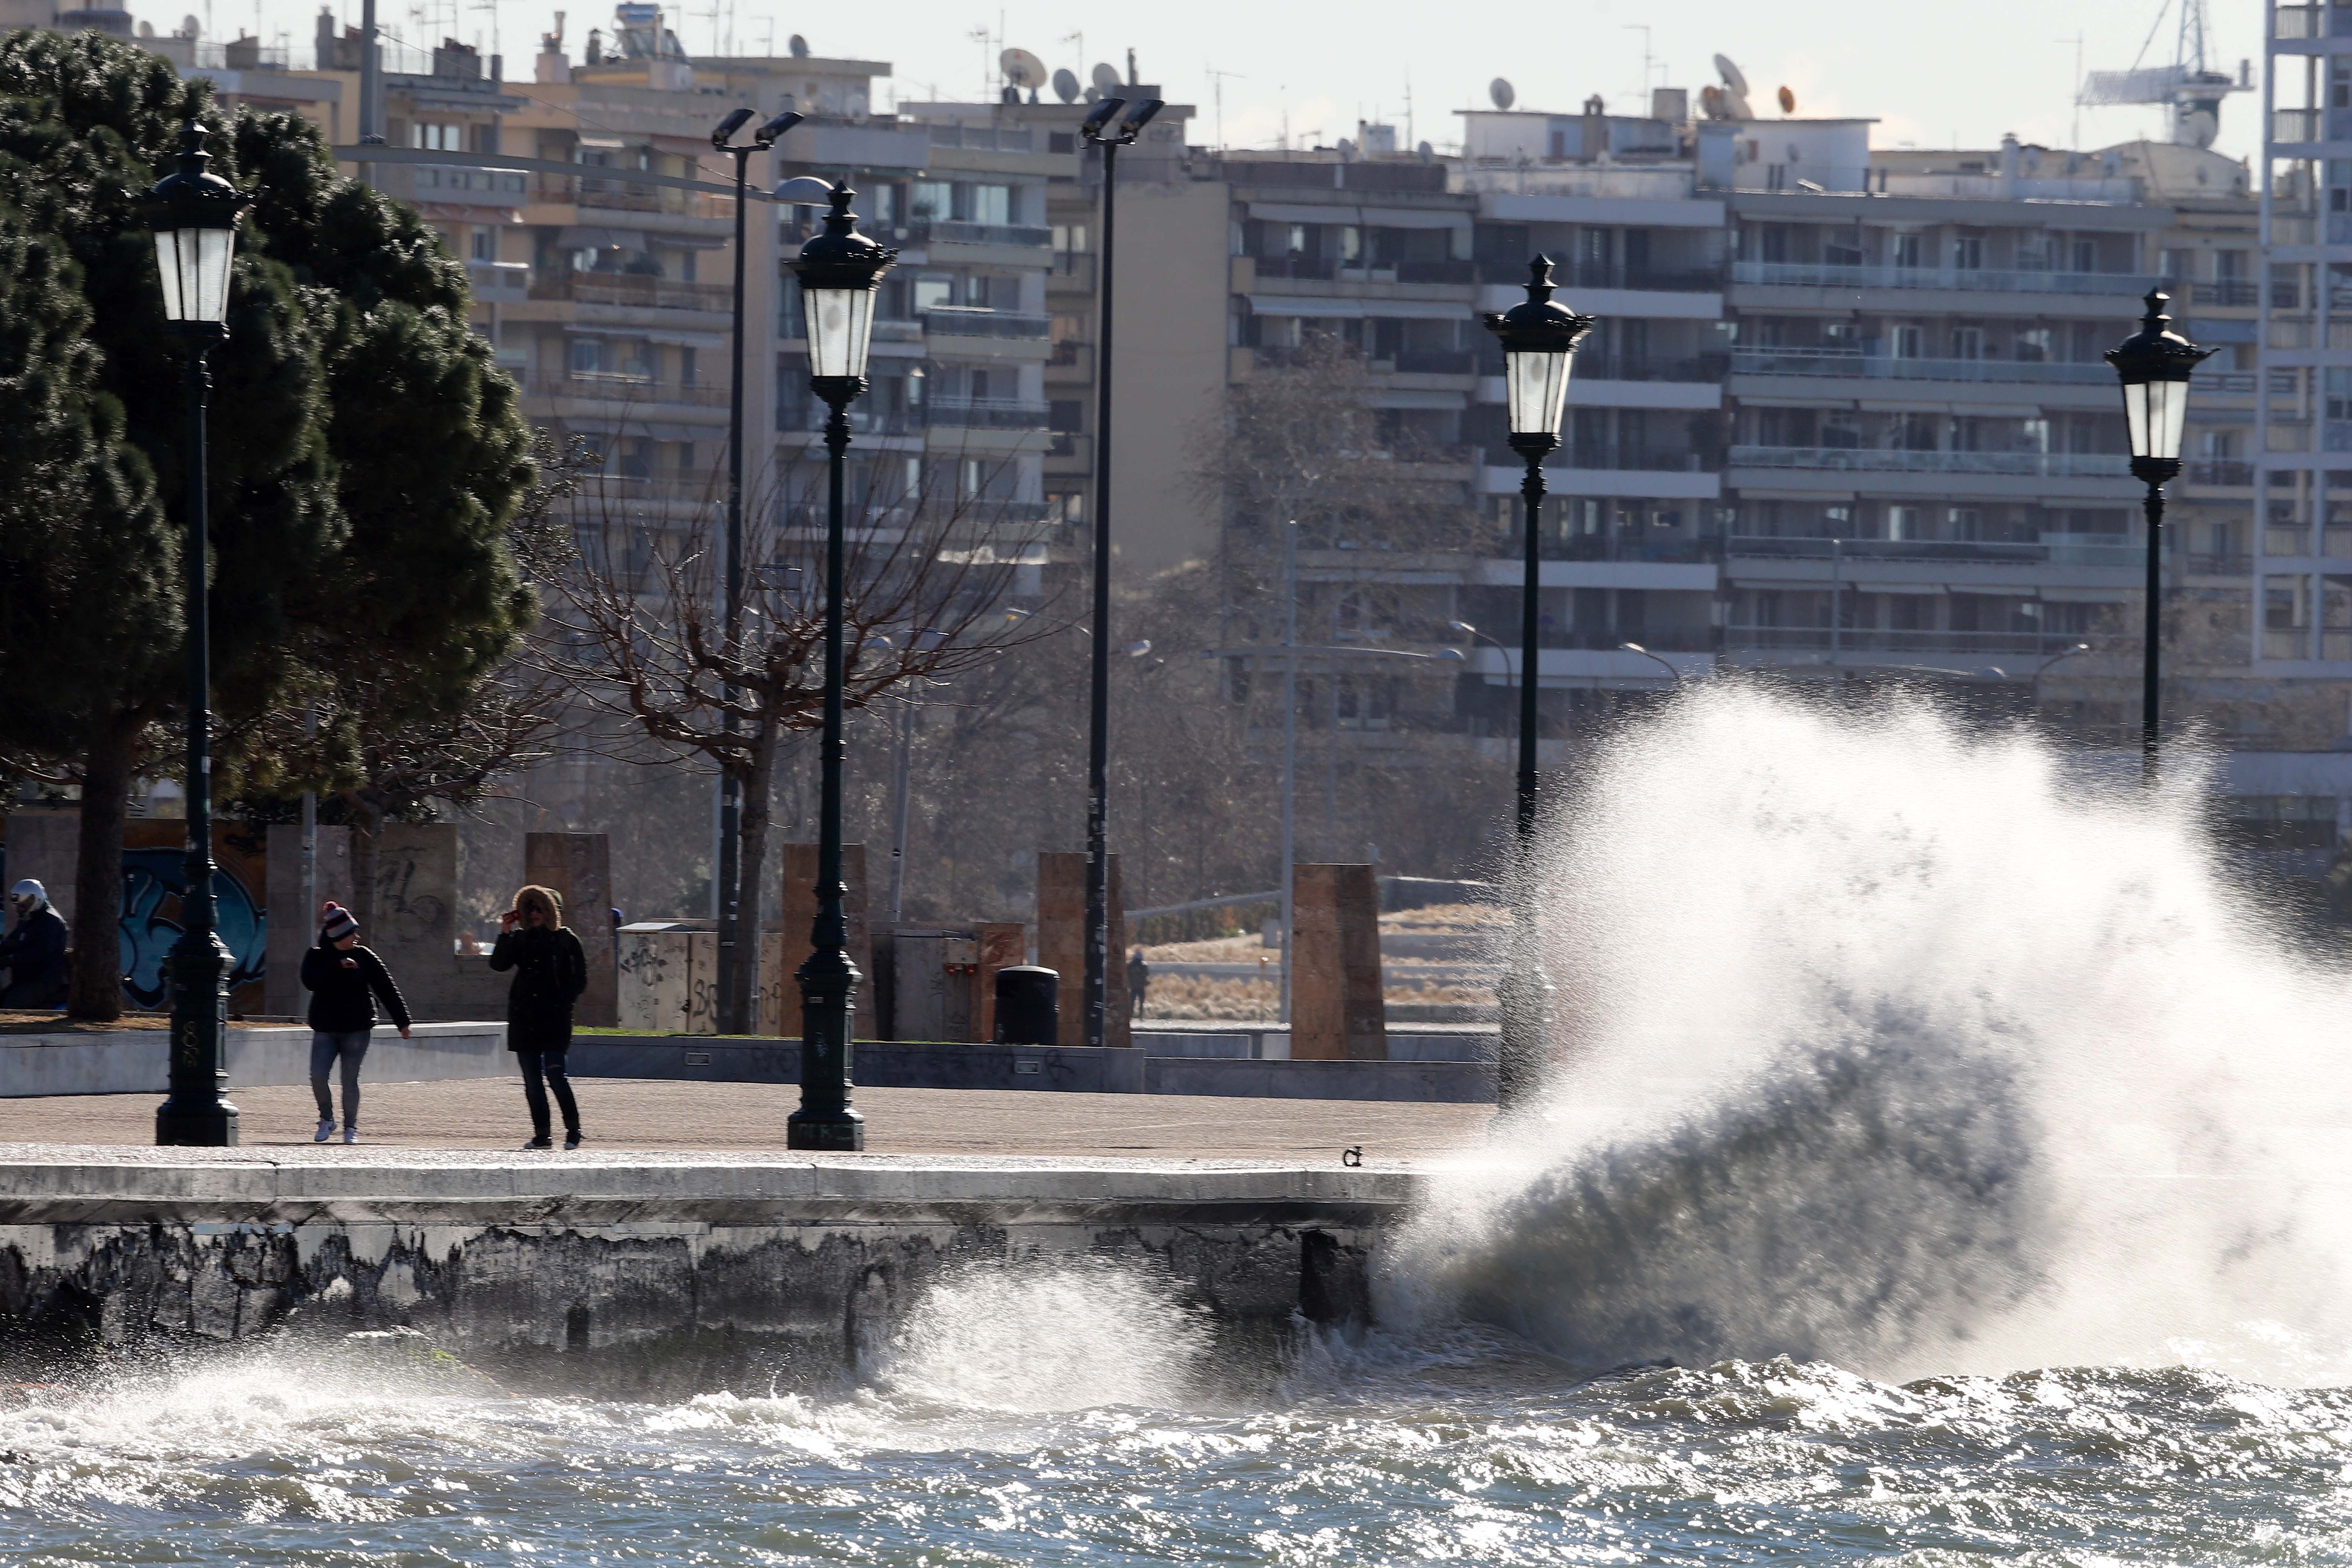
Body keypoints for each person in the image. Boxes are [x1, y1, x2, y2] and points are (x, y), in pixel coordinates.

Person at [298, 901, 410, 1145]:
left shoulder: (364, 956)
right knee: (318, 1076)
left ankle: (351, 1128)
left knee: (349, 1080)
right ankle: (327, 1119)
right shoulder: (316, 956)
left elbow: (386, 988)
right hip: (326, 1028)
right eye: (352, 933)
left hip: (358, 1029)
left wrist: (403, 1021)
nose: (356, 937)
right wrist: (337, 966)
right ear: (339, 935)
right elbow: (310, 981)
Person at [490, 884, 589, 1150]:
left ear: (551, 910)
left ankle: (573, 1130)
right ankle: (542, 1135)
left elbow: (579, 980)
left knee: (557, 1076)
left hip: (555, 1019)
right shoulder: (521, 939)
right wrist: (505, 933)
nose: (534, 914)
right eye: (529, 908)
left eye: (539, 908)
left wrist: (562, 1003)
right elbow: (499, 964)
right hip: (525, 1018)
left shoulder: (568, 940)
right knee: (532, 1080)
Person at [0, 880, 70, 1011]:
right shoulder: (28, 920)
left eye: (23, 905)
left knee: (11, 1007)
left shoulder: (52, 922)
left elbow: (40, 953)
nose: (20, 910)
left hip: (43, 982)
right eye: (19, 906)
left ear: (35, 899)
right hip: (25, 980)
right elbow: (12, 941)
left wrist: (12, 960)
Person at [1126, 946, 1150, 1021]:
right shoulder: (1144, 965)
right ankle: (1140, 1016)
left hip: (1133, 986)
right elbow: (1147, 974)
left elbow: (1127, 974)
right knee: (1141, 1002)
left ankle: (1131, 1016)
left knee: (1132, 1002)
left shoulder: (1130, 965)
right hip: (1140, 986)